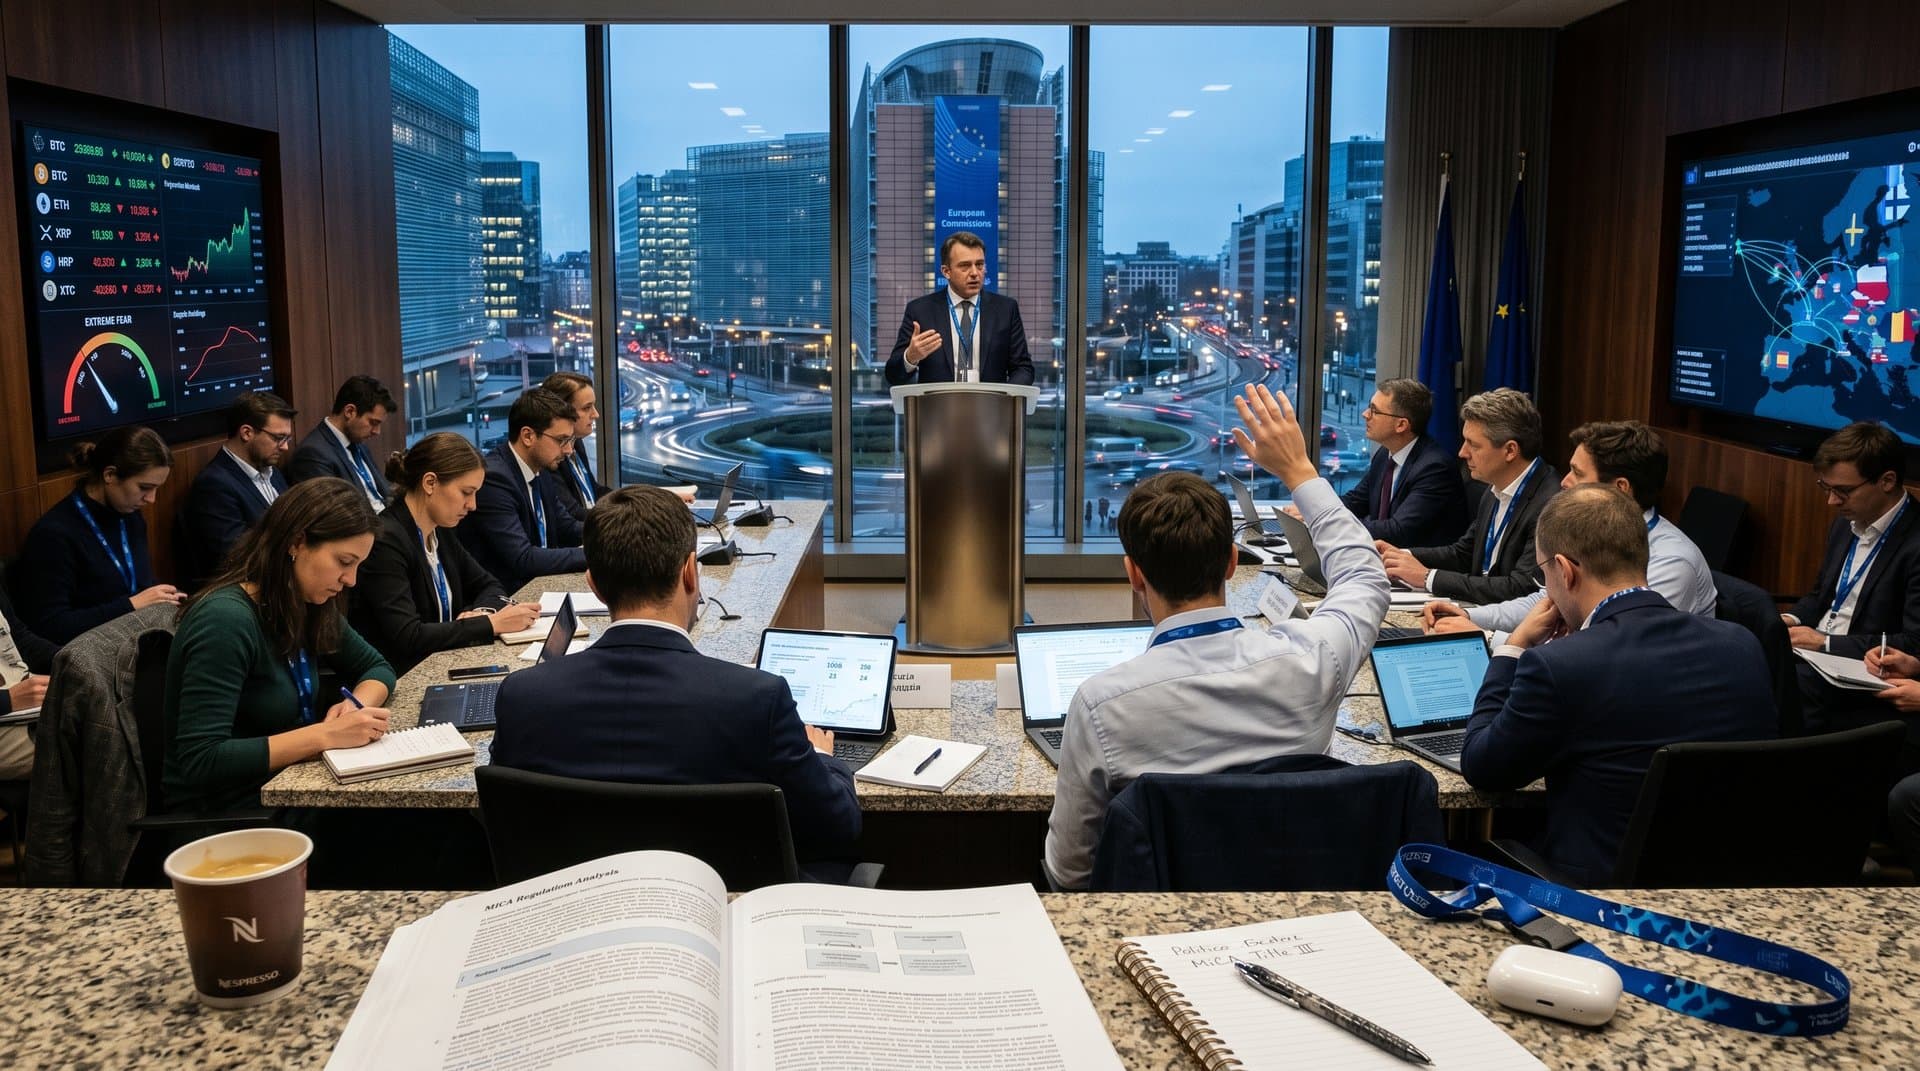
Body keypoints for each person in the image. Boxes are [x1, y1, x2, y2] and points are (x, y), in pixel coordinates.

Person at [1043, 384, 1389, 890]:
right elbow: (1365, 577)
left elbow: (1070, 871)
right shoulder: (1316, 659)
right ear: (1231, 562)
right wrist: (1299, 471)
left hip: (1160, 928)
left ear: (1133, 574)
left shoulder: (1101, 705)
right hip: (1299, 915)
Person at [491, 485, 862, 869]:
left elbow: (501, 818)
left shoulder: (522, 695)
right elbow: (836, 827)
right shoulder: (757, 699)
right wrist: (824, 758)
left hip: (574, 901)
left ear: (594, 585)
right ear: (690, 573)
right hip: (724, 901)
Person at [1459, 485, 1775, 886]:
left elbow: (1483, 766)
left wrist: (1513, 648)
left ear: (1565, 570)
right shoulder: (1741, 645)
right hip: (1728, 885)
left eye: (1544, 574)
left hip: (1599, 895)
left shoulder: (1562, 666)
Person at [164, 478, 396, 814]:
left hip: (292, 786)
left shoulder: (306, 602)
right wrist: (326, 735)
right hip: (233, 812)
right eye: (344, 562)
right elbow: (202, 759)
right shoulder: (225, 620)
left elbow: (377, 667)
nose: (351, 580)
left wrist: (356, 706)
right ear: (296, 543)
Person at [1425, 420, 1717, 634]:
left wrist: (1488, 638)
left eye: (1577, 473)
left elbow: (1601, 648)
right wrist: (1470, 617)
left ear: (1620, 489)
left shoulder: (1672, 563)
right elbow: (1547, 601)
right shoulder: (1593, 532)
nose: (1564, 482)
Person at [350, 433, 542, 674]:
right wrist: (489, 624)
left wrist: (482, 613)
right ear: (430, 483)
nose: (472, 505)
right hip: (405, 675)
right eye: (466, 492)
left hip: (442, 662)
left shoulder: (440, 530)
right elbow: (408, 636)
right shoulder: (387, 540)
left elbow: (489, 584)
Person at [1781, 421, 1920, 730]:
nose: (1831, 501)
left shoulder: (1915, 543)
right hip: (1814, 656)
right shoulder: (1847, 522)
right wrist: (1789, 620)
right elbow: (1820, 596)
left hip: (1857, 673)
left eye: (1842, 491)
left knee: (1785, 686)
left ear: (1886, 481)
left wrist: (1826, 644)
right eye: (1826, 488)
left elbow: (1914, 642)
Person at [1377, 388, 1559, 605]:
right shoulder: (1493, 488)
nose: (1462, 452)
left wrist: (1427, 577)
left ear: (1510, 451)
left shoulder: (1551, 505)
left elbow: (1520, 587)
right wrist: (1402, 555)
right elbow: (1464, 553)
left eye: (1473, 444)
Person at [14, 426, 183, 645]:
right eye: (144, 487)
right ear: (109, 475)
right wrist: (131, 605)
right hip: (90, 652)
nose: (151, 499)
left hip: (136, 637)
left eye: (157, 488)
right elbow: (50, 626)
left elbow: (141, 587)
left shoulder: (131, 517)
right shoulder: (54, 534)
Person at [1303, 377, 1468, 546]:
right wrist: (1315, 511)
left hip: (1415, 559)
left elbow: (1397, 531)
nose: (1365, 414)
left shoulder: (1435, 468)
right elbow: (1356, 501)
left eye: (1374, 411)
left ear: (1401, 425)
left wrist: (1331, 525)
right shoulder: (1384, 454)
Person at [457, 389, 588, 594]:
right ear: (528, 436)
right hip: (508, 596)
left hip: (539, 587)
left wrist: (615, 536)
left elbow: (567, 527)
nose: (568, 450)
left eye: (570, 441)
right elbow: (523, 558)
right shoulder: (494, 480)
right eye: (561, 440)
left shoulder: (540, 468)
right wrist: (595, 555)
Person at [176, 391, 296, 590]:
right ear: (247, 433)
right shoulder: (214, 485)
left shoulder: (271, 470)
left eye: (287, 439)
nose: (284, 448)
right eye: (279, 438)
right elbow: (235, 557)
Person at [883, 231, 1035, 387]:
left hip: (991, 401)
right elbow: (893, 376)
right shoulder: (920, 311)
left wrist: (1005, 396)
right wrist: (910, 357)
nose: (974, 273)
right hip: (938, 402)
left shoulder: (1006, 310)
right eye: (965, 266)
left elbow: (1023, 368)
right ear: (946, 271)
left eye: (979, 265)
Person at [285, 374, 397, 512]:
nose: (377, 431)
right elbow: (335, 515)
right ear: (349, 411)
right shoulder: (312, 454)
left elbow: (384, 494)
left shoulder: (358, 444)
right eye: (373, 422)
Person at [0, 581, 55, 780]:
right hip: (8, 706)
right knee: (89, 739)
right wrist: (8, 700)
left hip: (21, 696)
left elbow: (20, 639)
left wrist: (72, 660)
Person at [540, 371, 610, 524]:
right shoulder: (548, 455)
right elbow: (573, 513)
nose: (596, 414)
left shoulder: (576, 442)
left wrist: (638, 501)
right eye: (587, 408)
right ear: (560, 410)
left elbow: (594, 491)